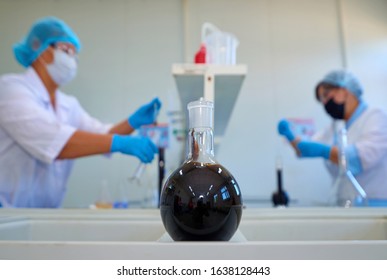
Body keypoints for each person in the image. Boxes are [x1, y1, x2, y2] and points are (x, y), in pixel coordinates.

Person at [0, 17, 161, 208]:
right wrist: (120, 143)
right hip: (7, 212)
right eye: (66, 50)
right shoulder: (11, 89)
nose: (71, 60)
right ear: (41, 51)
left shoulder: (68, 104)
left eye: (74, 54)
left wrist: (133, 123)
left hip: (45, 214)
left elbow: (101, 136)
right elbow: (55, 142)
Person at [278, 70, 387, 205]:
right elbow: (304, 148)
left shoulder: (375, 116)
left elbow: (362, 157)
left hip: (376, 204)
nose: (324, 103)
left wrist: (325, 151)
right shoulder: (335, 127)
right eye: (321, 100)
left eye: (326, 95)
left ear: (344, 90)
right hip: (346, 203)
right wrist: (290, 136)